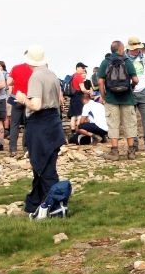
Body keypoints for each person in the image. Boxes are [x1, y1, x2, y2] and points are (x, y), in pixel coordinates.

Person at [13, 45, 66, 219]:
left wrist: (23, 99)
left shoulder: (36, 77)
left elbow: (36, 105)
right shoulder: (52, 75)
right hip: (53, 122)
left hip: (40, 124)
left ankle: (56, 206)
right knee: (44, 166)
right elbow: (58, 100)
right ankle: (36, 202)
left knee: (44, 168)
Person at [97, 40, 139, 160]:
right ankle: (131, 152)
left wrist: (103, 96)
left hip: (111, 99)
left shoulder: (105, 62)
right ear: (120, 49)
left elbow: (100, 82)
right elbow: (136, 80)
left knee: (113, 125)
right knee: (129, 124)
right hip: (127, 98)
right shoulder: (127, 61)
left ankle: (114, 152)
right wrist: (131, 87)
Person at [125, 37, 145, 152]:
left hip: (143, 91)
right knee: (131, 121)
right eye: (134, 48)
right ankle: (134, 144)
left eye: (138, 48)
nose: (137, 50)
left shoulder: (144, 57)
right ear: (129, 48)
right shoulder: (124, 59)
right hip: (129, 92)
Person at [7, 54, 33, 158]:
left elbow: (9, 82)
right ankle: (26, 148)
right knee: (28, 124)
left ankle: (13, 149)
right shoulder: (34, 69)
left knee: (14, 124)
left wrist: (16, 81)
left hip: (16, 97)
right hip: (29, 98)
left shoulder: (15, 68)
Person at [68, 62, 91, 134]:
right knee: (79, 115)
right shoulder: (79, 76)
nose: (84, 69)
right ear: (78, 68)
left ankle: (73, 132)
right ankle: (78, 131)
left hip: (73, 97)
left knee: (73, 116)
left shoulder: (73, 75)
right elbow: (83, 89)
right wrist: (88, 91)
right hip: (78, 97)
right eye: (83, 68)